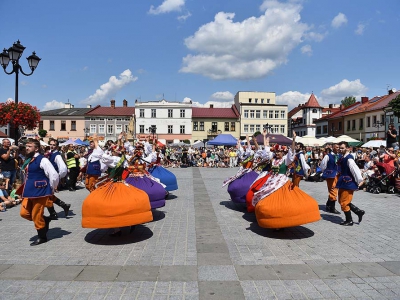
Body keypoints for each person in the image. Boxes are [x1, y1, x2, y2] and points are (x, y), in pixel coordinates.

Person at [252, 131, 320, 229]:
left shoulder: (285, 159)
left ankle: (282, 222)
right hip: (272, 180)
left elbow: (291, 153)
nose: (277, 153)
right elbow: (266, 151)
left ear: (283, 152)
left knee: (283, 203)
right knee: (267, 199)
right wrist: (263, 139)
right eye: (276, 151)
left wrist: (293, 140)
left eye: (279, 151)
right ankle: (273, 220)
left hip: (282, 182)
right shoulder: (273, 159)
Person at [20, 139, 59, 246]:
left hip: (40, 190)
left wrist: (52, 187)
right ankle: (45, 220)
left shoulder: (43, 160)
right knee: (24, 213)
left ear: (36, 148)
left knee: (36, 214)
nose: (27, 148)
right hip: (29, 191)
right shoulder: (29, 160)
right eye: (26, 146)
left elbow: (54, 175)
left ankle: (42, 236)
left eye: (29, 146)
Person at [335, 141, 365, 226]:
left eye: (342, 148)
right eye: (340, 148)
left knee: (344, 202)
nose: (340, 150)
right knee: (341, 200)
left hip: (348, 182)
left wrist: (360, 180)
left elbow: (355, 170)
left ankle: (349, 220)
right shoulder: (343, 157)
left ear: (347, 148)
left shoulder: (349, 159)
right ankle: (358, 211)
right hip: (343, 181)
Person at [47, 139, 71, 219]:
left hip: (52, 178)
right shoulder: (51, 154)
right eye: (51, 144)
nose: (52, 146)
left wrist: (58, 177)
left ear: (57, 146)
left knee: (47, 196)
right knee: (48, 195)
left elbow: (63, 168)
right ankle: (63, 206)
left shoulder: (57, 155)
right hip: (49, 177)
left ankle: (53, 213)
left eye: (54, 145)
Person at [320, 143, 341, 214]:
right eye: (337, 147)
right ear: (333, 148)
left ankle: (328, 204)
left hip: (338, 175)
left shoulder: (340, 156)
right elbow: (323, 165)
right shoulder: (328, 156)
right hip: (331, 175)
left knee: (334, 190)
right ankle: (332, 207)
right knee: (333, 189)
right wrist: (326, 172)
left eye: (339, 147)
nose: (338, 148)